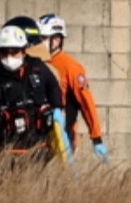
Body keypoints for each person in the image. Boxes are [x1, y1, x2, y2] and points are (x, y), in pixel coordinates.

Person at [0, 23, 68, 163]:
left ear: (24, 51)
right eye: (4, 52)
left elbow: (54, 88)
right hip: (2, 155)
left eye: (14, 52)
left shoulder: (38, 69)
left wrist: (57, 109)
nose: (9, 57)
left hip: (40, 153)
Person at [37, 13, 107, 160]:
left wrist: (96, 138)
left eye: (43, 38)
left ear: (56, 40)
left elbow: (86, 103)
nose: (39, 42)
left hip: (62, 139)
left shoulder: (71, 67)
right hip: (36, 136)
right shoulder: (35, 63)